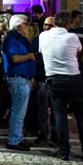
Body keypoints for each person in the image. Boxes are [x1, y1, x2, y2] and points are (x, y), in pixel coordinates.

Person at [39, 11, 83, 162]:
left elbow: (42, 52)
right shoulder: (73, 37)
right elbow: (78, 51)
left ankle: (64, 151)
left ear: (55, 21)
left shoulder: (43, 36)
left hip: (53, 80)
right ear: (69, 23)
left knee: (60, 116)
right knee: (81, 116)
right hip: (73, 79)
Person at [1, 14, 36, 151]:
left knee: (20, 112)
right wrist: (29, 56)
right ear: (19, 26)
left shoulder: (19, 39)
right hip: (17, 79)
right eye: (26, 24)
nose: (28, 27)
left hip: (22, 79)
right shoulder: (13, 39)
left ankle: (18, 137)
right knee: (18, 112)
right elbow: (14, 58)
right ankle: (14, 140)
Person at [32, 16, 54, 145]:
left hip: (55, 79)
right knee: (42, 110)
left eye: (49, 25)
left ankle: (55, 134)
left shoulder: (59, 40)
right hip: (42, 79)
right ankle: (43, 134)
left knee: (56, 110)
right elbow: (33, 59)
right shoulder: (37, 40)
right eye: (45, 25)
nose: (46, 27)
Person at [70, 10, 83, 83]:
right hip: (70, 59)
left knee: (81, 80)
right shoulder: (68, 30)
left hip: (80, 60)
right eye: (79, 17)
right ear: (73, 18)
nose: (81, 19)